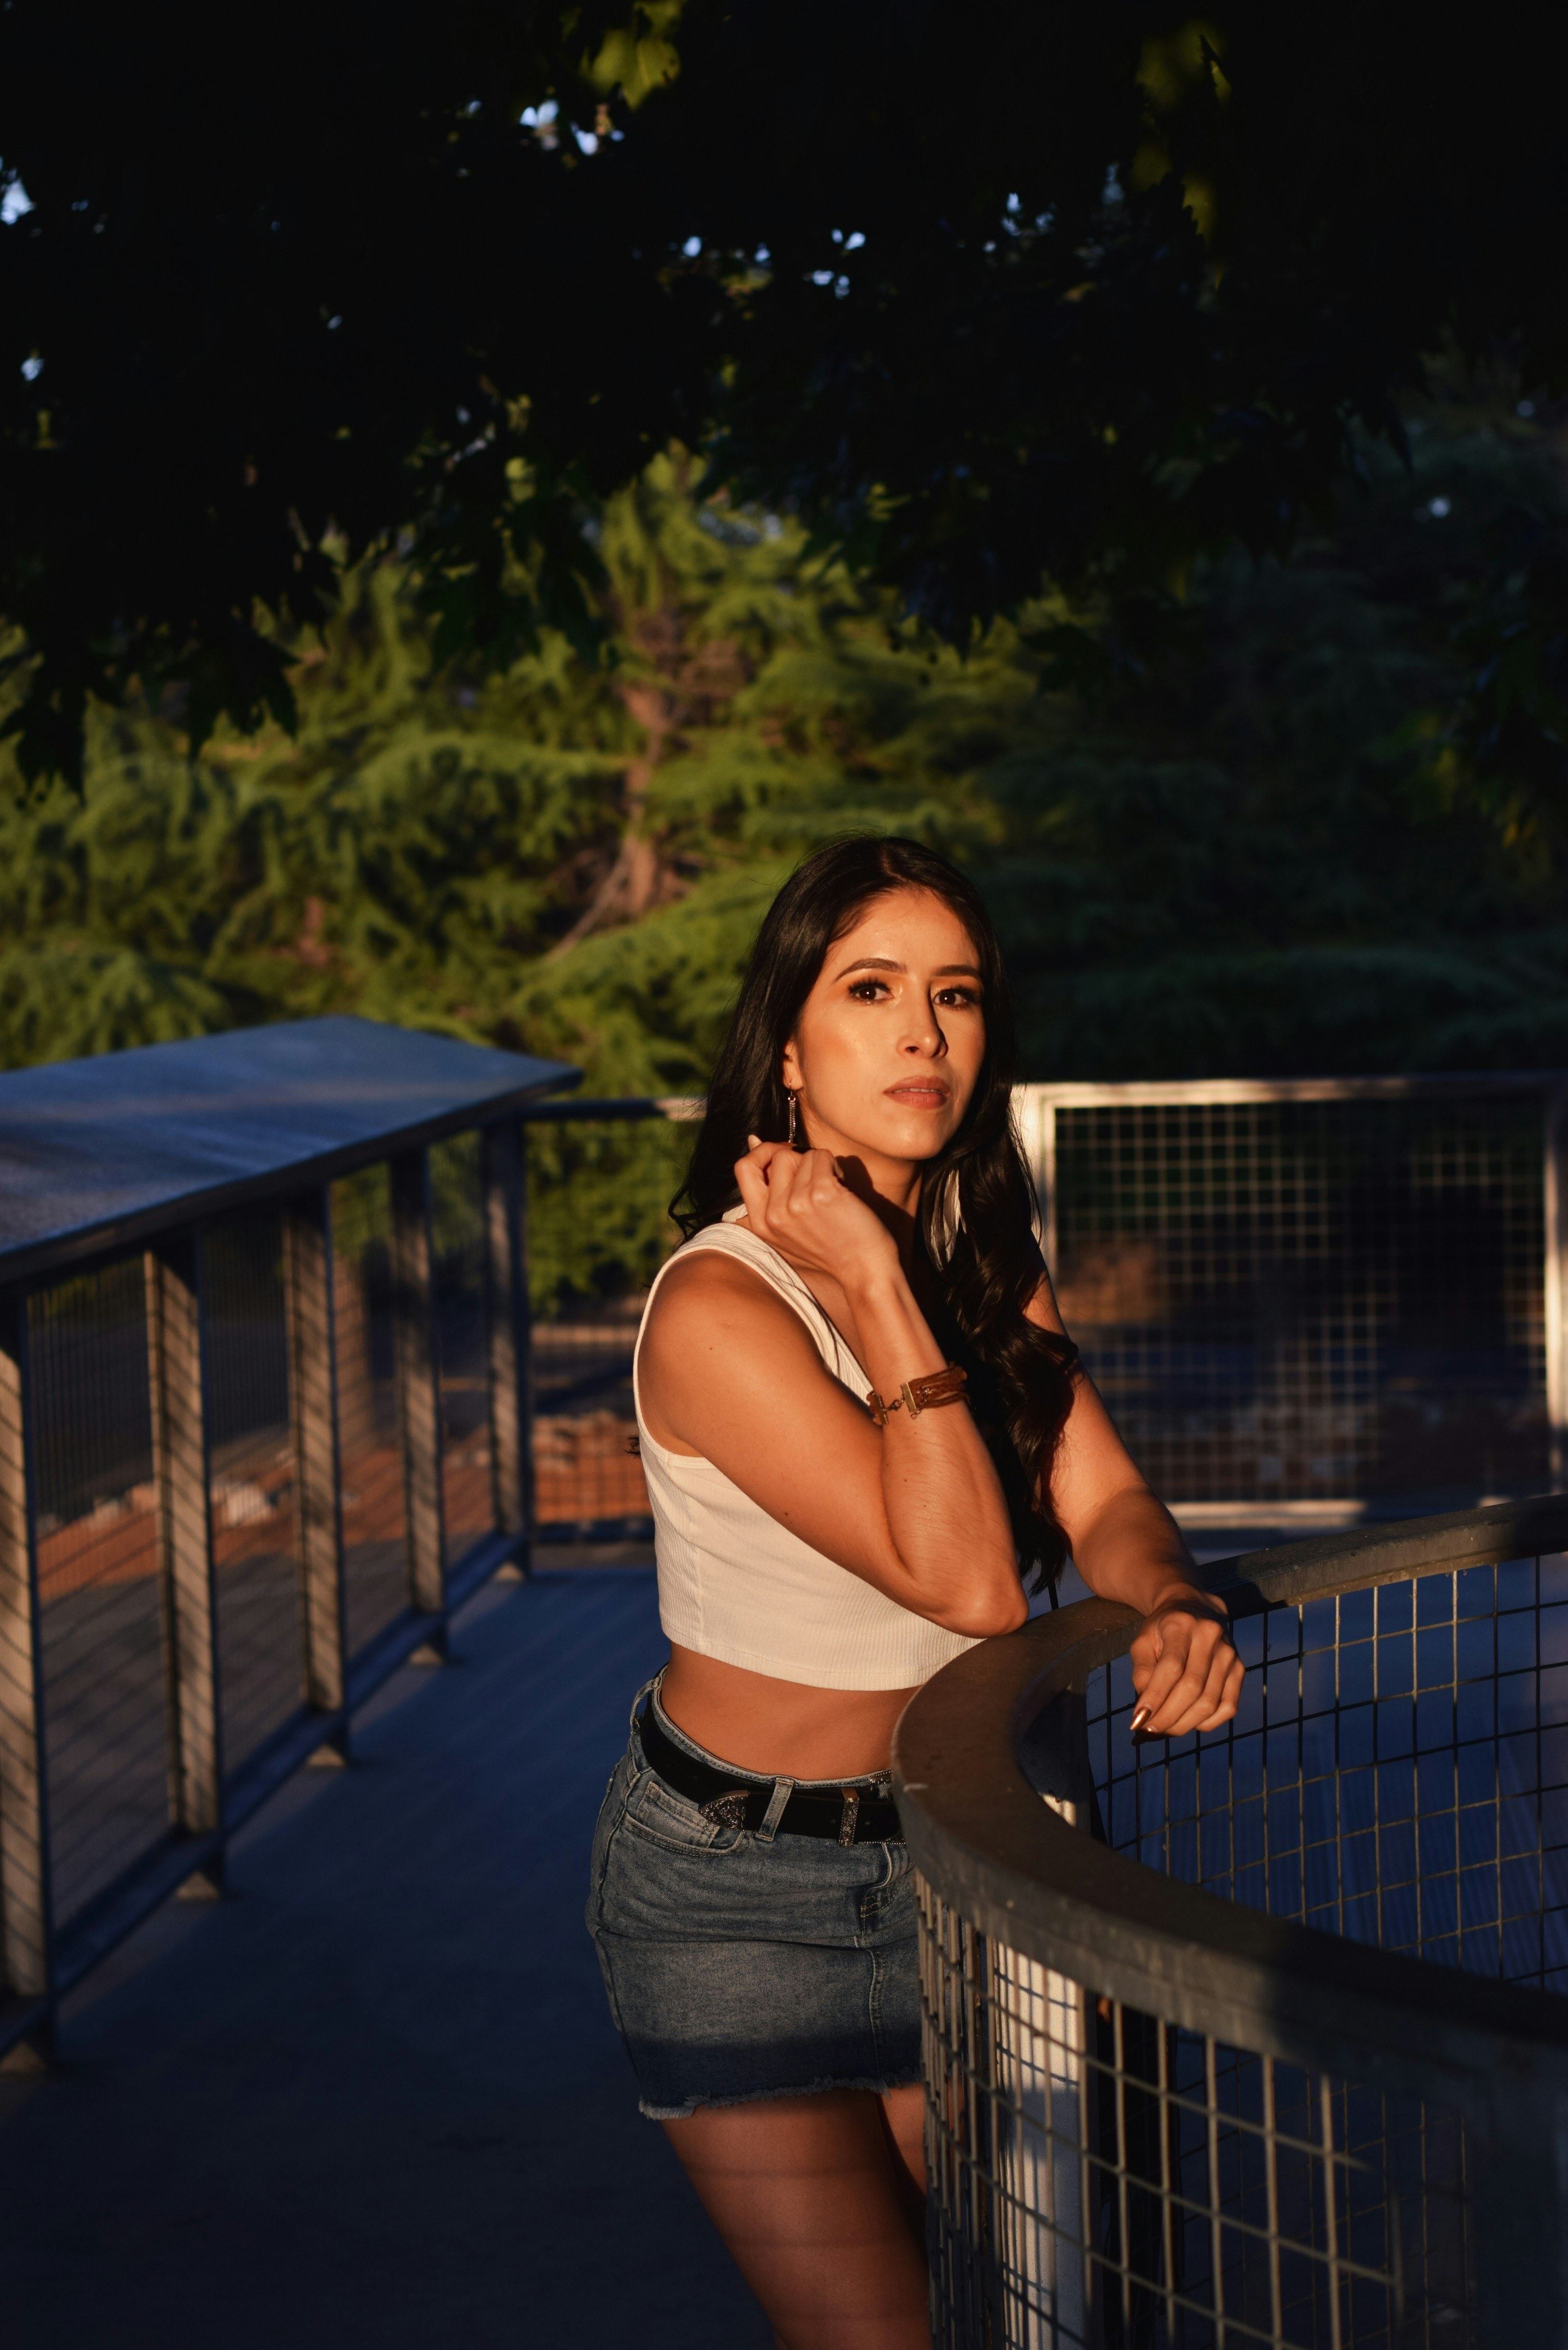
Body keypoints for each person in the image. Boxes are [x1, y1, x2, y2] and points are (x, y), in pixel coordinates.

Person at [586, 836, 1243, 2350]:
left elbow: (1106, 1497)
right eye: (871, 989)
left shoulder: (982, 1252)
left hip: (977, 1851)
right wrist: (879, 1289)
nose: (922, 1032)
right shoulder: (719, 1302)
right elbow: (963, 1583)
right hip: (736, 1899)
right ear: (791, 1049)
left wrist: (1174, 1599)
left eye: (956, 994)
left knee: (1060, 2313)